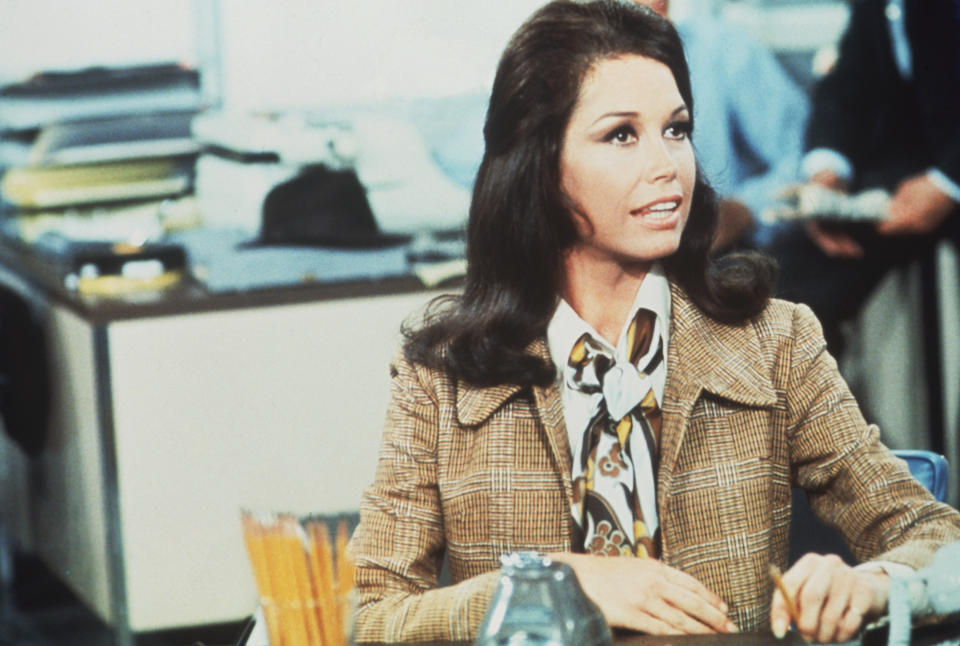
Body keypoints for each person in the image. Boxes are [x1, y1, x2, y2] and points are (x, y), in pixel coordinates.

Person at [350, 1, 960, 643]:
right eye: (621, 135)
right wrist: (552, 580)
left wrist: (872, 584)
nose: (668, 165)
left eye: (676, 129)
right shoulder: (438, 377)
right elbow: (373, 618)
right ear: (540, 164)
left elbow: (938, 541)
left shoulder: (776, 341)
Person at [768, 0, 960, 358]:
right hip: (912, 166)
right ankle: (802, 401)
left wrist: (948, 181)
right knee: (785, 294)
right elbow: (850, 80)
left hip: (946, 170)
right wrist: (827, 171)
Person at [636, 0, 809, 250]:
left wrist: (744, 209)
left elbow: (808, 157)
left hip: (716, 260)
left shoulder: (723, 47)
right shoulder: (571, 72)